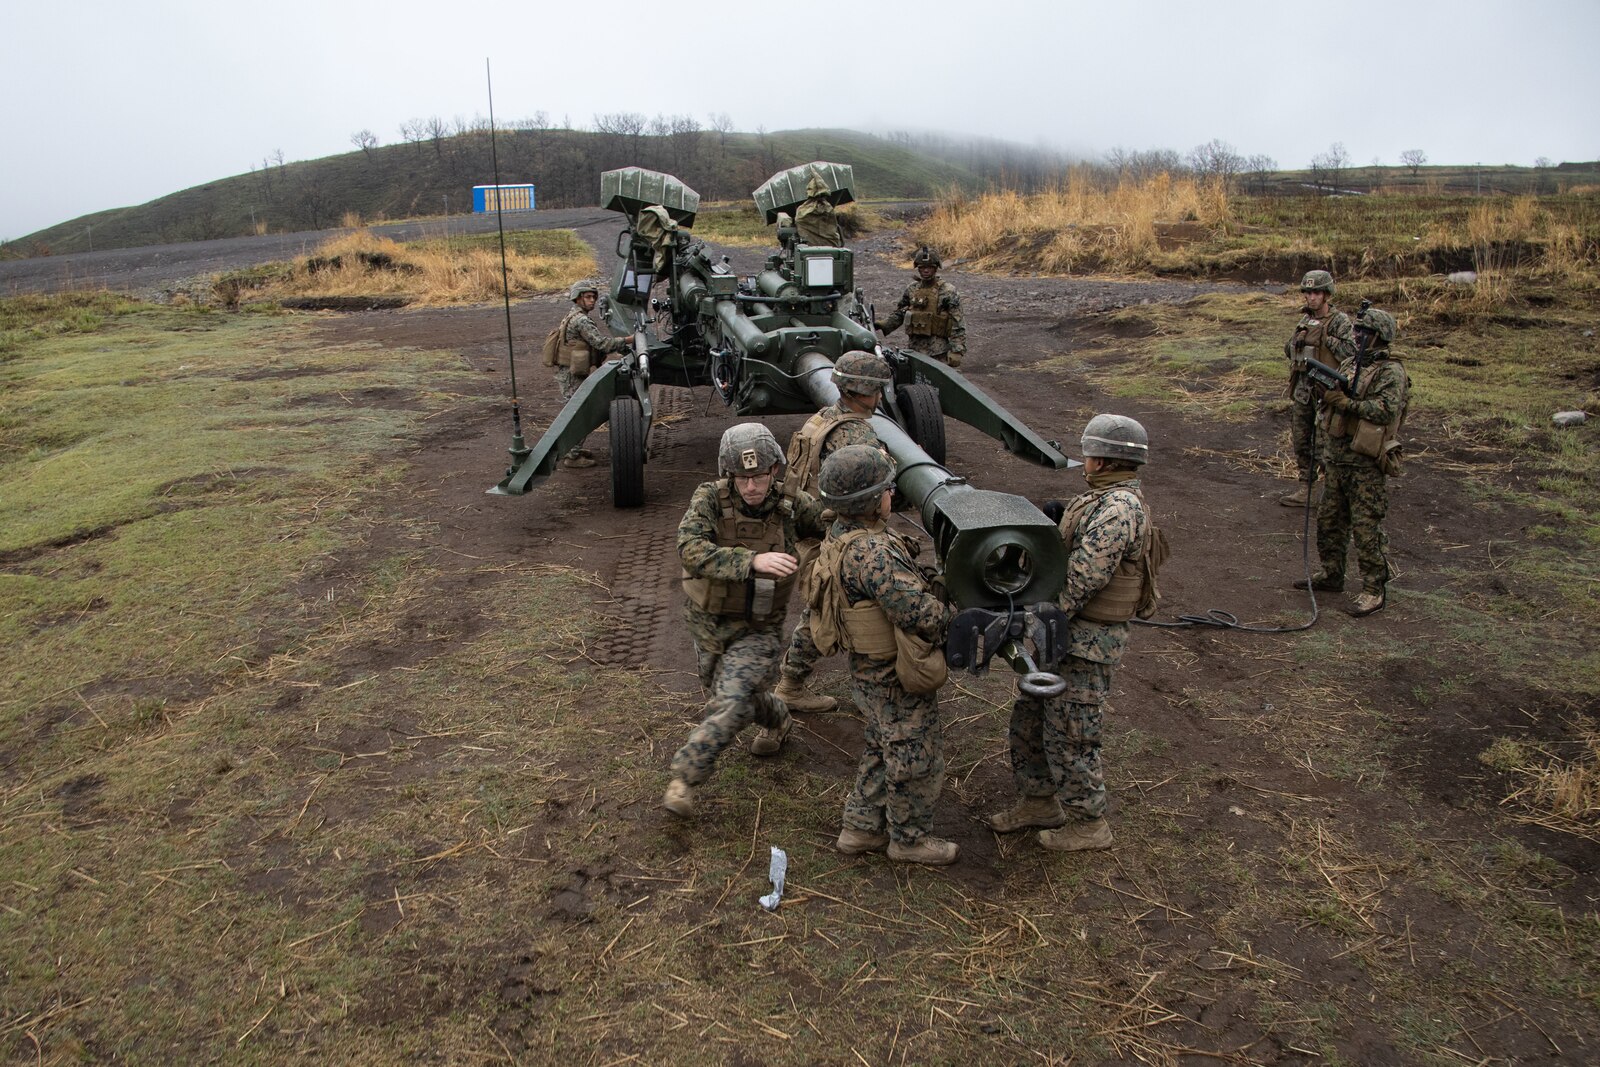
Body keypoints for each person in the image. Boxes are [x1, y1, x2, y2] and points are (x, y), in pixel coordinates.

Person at [987, 415, 1153, 852]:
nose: (1085, 460)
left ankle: (1089, 821)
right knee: (1031, 719)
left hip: (1087, 641)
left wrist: (1031, 618)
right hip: (1065, 635)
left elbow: (1082, 578)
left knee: (1072, 733)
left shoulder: (1117, 510)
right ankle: (1040, 801)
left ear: (1103, 459)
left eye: (1089, 452)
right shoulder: (1098, 500)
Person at [662, 424, 830, 817]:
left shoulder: (791, 505)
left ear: (774, 471)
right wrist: (751, 561)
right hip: (710, 624)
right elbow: (689, 547)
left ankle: (683, 781)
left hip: (760, 628)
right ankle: (779, 718)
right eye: (741, 477)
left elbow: (829, 524)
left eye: (758, 476)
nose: (751, 486)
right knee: (730, 693)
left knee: (731, 702)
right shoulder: (708, 498)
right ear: (728, 474)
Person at [809, 444, 957, 865]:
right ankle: (909, 839)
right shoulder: (872, 554)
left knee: (880, 742)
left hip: (868, 669)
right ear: (871, 500)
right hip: (890, 671)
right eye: (887, 489)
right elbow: (920, 613)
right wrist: (956, 616)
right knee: (914, 751)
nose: (893, 495)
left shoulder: (842, 534)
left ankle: (860, 827)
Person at [773, 352, 895, 714]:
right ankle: (797, 686)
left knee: (822, 604)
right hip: (841, 529)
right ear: (864, 391)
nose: (880, 398)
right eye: (877, 391)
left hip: (810, 523)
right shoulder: (855, 432)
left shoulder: (823, 418)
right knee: (836, 607)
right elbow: (873, 487)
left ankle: (790, 684)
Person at [1298, 307, 1409, 617]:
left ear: (1379, 337)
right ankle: (1332, 574)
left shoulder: (1391, 372)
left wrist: (1344, 402)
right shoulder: (1350, 364)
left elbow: (1386, 410)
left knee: (1365, 527)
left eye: (1364, 332)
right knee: (1329, 520)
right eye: (1358, 331)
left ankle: (1374, 589)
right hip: (1336, 458)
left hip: (1364, 462)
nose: (1358, 335)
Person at [1280, 270, 1357, 505]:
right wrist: (1297, 342)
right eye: (1308, 293)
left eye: (1316, 292)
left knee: (1327, 442)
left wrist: (1324, 338)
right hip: (1304, 388)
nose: (1311, 297)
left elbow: (1351, 353)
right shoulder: (1304, 320)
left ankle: (1333, 489)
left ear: (1326, 294)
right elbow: (1289, 351)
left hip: (1327, 389)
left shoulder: (1339, 321)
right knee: (1302, 439)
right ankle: (1306, 488)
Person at [554, 280, 630, 468]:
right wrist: (628, 340)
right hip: (573, 375)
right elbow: (601, 343)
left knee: (576, 412)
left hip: (570, 372)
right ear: (578, 298)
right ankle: (572, 456)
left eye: (593, 297)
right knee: (581, 414)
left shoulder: (574, 316)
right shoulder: (581, 320)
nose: (592, 301)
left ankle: (574, 449)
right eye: (588, 297)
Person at [875, 248, 966, 368]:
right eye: (922, 267)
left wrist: (957, 350)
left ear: (936, 268)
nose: (926, 270)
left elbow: (957, 322)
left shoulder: (948, 291)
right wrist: (884, 324)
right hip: (914, 349)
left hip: (939, 352)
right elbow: (901, 312)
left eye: (930, 267)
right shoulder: (912, 289)